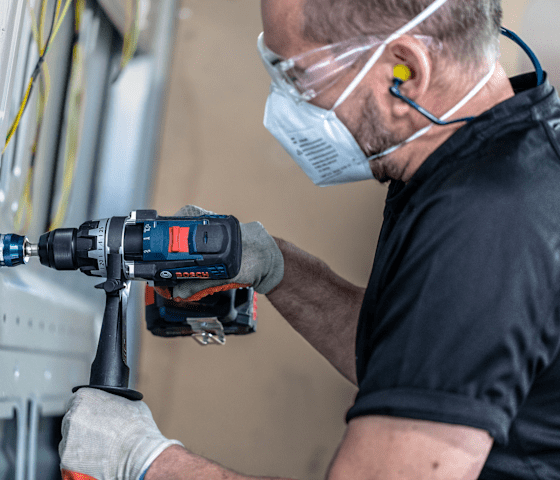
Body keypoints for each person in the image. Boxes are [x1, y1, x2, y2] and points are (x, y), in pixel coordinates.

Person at [59, 0, 560, 478]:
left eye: (298, 77)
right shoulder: (474, 158)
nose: (284, 105)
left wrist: (145, 462)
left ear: (405, 72)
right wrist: (276, 267)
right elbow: (414, 354)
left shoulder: (490, 221)